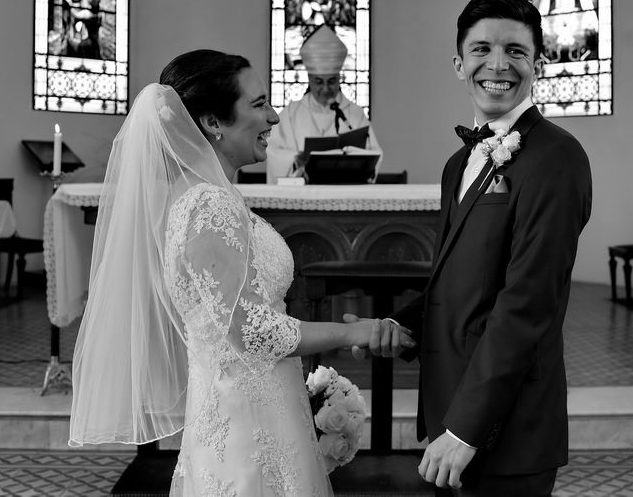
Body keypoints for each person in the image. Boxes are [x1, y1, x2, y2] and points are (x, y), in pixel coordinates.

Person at [68, 49, 414, 496]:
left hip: (245, 409)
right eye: (258, 105)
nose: (272, 115)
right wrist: (354, 332)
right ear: (213, 122)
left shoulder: (198, 195)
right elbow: (249, 331)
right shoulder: (209, 205)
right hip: (246, 423)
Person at [361, 0, 592, 495]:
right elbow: (465, 279)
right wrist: (404, 323)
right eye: (482, 49)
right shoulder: (457, 165)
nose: (498, 65)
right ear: (458, 62)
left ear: (538, 65)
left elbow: (529, 302)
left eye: (516, 51)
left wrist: (467, 427)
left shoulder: (557, 158)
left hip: (504, 425)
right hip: (453, 409)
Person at [266, 25, 383, 182]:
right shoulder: (291, 114)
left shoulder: (354, 114)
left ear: (339, 79)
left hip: (346, 193)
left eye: (332, 81)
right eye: (319, 82)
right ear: (310, 80)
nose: (326, 89)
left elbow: (374, 154)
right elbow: (274, 152)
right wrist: (295, 160)